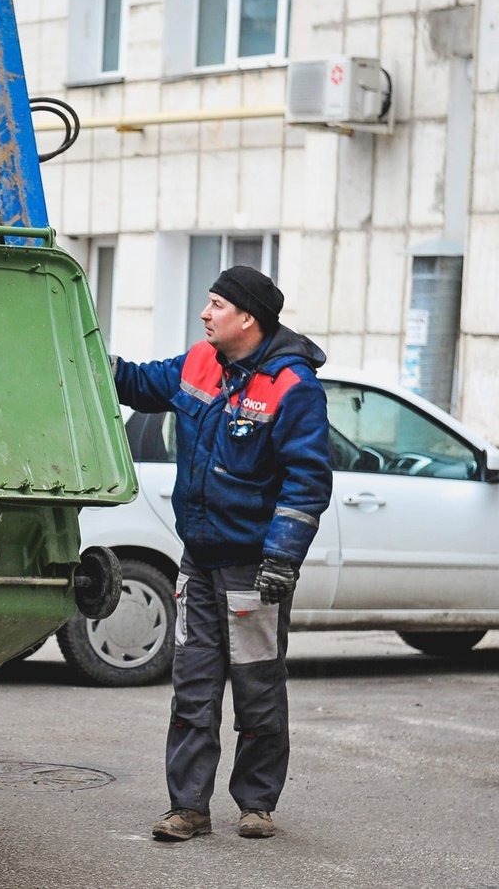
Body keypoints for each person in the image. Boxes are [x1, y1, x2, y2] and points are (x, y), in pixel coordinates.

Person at [111, 265, 332, 841]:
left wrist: (282, 557)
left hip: (252, 570)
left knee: (257, 689)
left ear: (247, 319)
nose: (205, 313)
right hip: (199, 561)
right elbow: (135, 383)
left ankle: (256, 804)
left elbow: (307, 480)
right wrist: (85, 354)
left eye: (215, 304)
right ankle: (188, 808)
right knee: (193, 688)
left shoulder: (292, 386)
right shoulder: (199, 363)